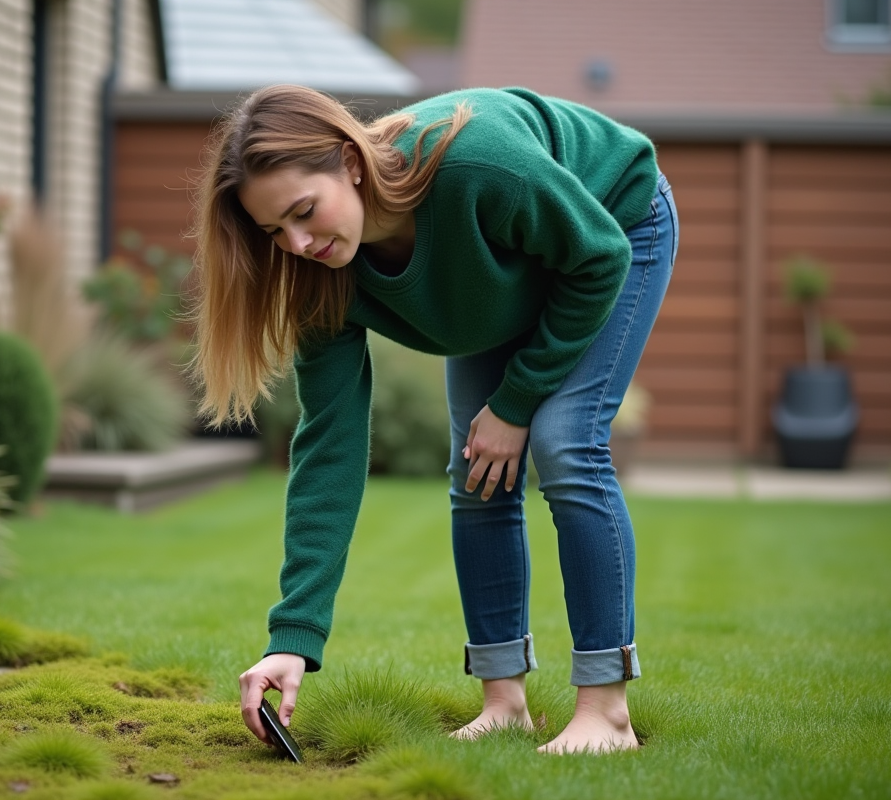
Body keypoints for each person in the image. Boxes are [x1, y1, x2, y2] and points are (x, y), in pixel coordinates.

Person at [187, 84, 678, 754]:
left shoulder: (477, 166)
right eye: (275, 231)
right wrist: (293, 639)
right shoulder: (318, 278)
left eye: (304, 211)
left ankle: (607, 714)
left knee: (566, 444)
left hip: (614, 224)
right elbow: (327, 448)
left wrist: (513, 403)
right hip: (511, 271)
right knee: (477, 472)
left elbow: (595, 258)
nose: (298, 243)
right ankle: (504, 703)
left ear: (350, 163)